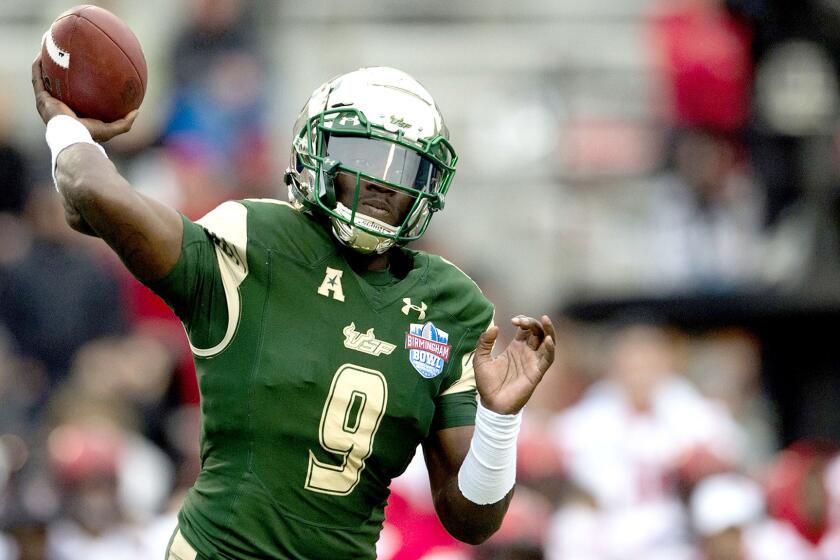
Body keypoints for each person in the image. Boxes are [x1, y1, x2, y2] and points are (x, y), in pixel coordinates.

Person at [32, 58, 556, 559]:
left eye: (407, 165)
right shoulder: (256, 241)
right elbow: (91, 192)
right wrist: (66, 126)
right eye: (367, 156)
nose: (383, 181)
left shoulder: (450, 304)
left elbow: (472, 520)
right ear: (317, 151)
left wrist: (499, 421)